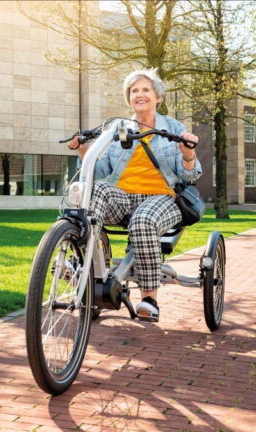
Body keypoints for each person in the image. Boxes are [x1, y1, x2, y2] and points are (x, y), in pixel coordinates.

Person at [66, 68, 201, 322]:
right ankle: (80, 262)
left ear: (157, 96)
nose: (139, 94)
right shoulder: (117, 128)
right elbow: (101, 169)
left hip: (161, 197)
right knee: (90, 191)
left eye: (145, 90)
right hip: (123, 197)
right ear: (129, 98)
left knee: (143, 222)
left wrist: (188, 153)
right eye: (134, 91)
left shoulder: (174, 127)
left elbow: (190, 176)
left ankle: (149, 298)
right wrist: (83, 149)